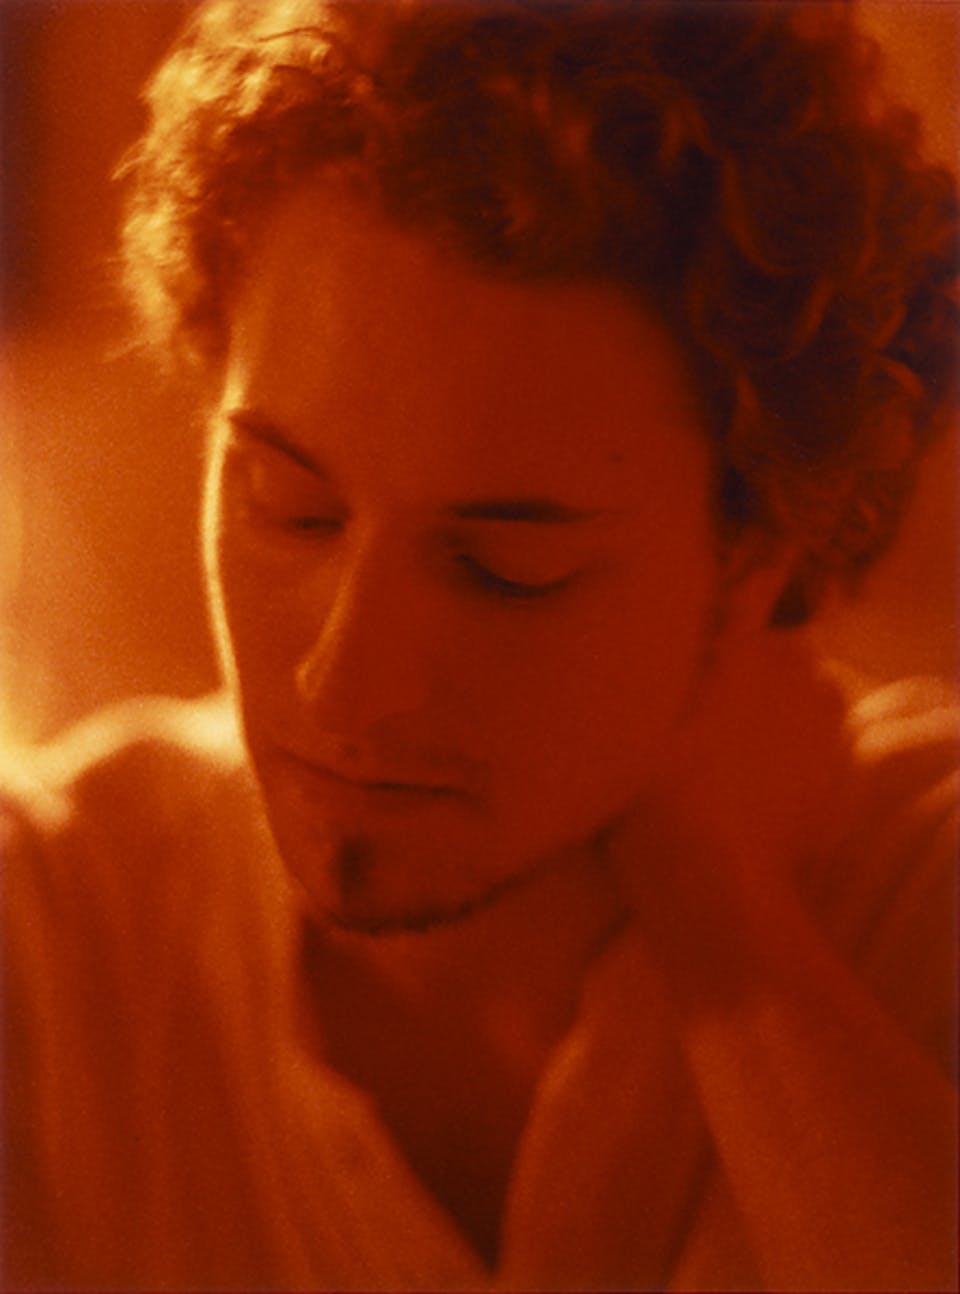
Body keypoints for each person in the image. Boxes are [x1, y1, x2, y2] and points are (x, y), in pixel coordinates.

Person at [2, 1, 957, 1289]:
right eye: (291, 506)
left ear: (755, 558)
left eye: (508, 570)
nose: (345, 681)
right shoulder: (49, 936)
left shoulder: (922, 898)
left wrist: (731, 933)